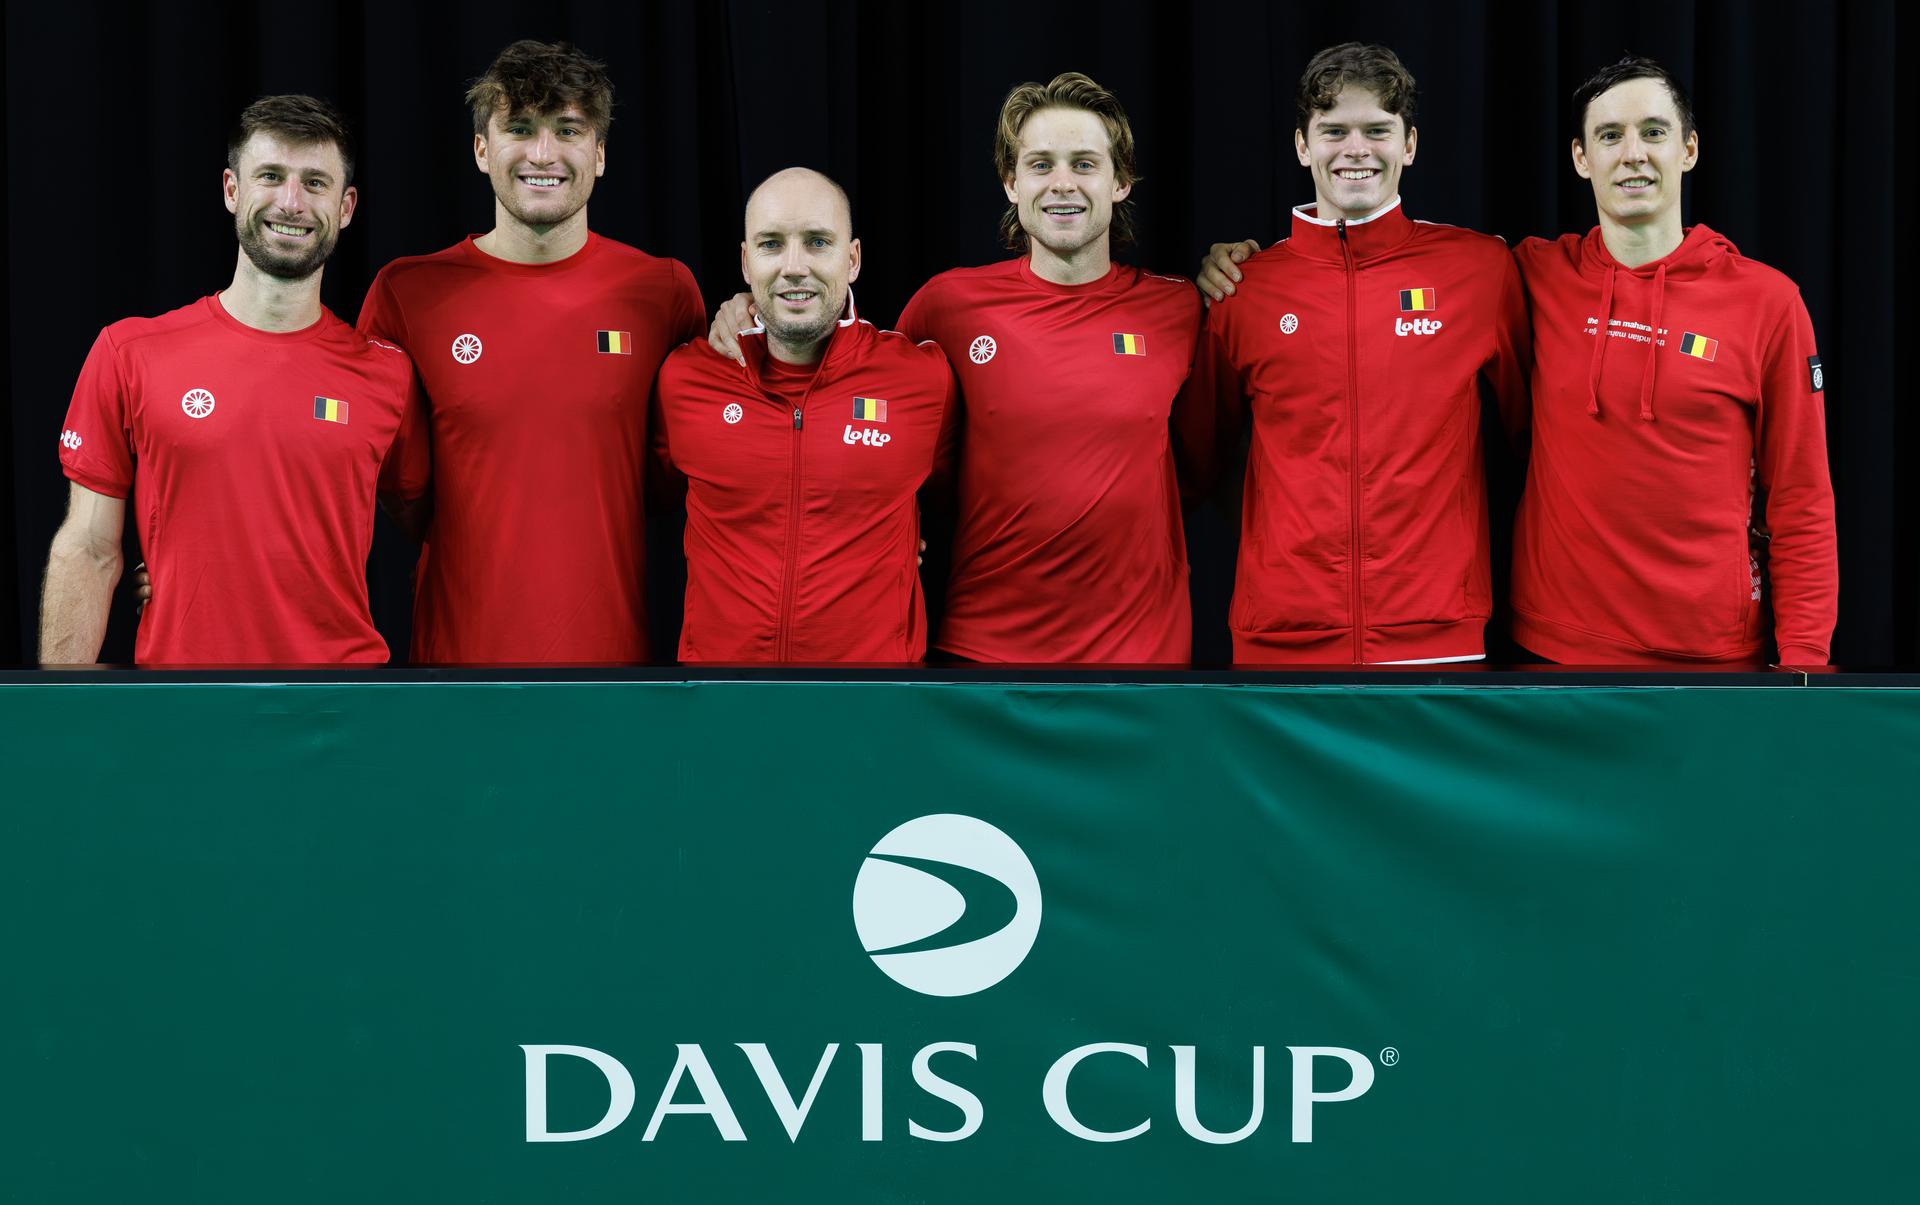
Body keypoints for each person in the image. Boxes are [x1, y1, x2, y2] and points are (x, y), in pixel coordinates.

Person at [714, 72, 1201, 664]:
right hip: (982, 654)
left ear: (1121, 181)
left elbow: (1209, 458)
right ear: (1010, 182)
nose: (1062, 184)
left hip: (1144, 660)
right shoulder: (948, 306)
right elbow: (855, 393)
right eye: (1041, 165)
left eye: (1085, 164)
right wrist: (746, 310)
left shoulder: (1179, 307)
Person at [40, 96, 426, 666]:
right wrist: (61, 715)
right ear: (231, 190)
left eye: (315, 183)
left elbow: (433, 530)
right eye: (270, 176)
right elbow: (90, 548)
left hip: (342, 708)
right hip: (186, 703)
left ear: (346, 207)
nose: (291, 202)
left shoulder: (388, 372)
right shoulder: (130, 352)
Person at [358, 40, 704, 664]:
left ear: (599, 154)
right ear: (482, 148)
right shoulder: (406, 293)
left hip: (613, 671)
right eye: (519, 128)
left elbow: (702, 475)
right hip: (455, 670)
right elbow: (361, 481)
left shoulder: (666, 293)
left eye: (567, 130)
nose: (542, 154)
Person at [1190, 43, 1529, 664]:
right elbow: (1201, 460)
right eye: (1333, 131)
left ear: (1410, 144)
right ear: (1301, 146)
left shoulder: (1480, 270)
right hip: (1281, 639)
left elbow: (1532, 437)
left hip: (1434, 634)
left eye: (1377, 130)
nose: (1356, 149)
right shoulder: (1244, 288)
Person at [1506, 56, 1835, 664]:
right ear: (1582, 158)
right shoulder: (1534, 275)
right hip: (1555, 654)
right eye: (1610, 136)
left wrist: (1805, 661)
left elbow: (1802, 497)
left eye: (1653, 132)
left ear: (1688, 149)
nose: (1633, 153)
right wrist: (1270, 263)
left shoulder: (1768, 302)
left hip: (1712, 660)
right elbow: (1419, 263)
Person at [652, 168, 954, 662]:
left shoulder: (922, 379)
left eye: (817, 242)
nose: (794, 266)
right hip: (722, 704)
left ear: (852, 259)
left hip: (875, 706)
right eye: (772, 245)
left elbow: (963, 504)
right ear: (746, 262)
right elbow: (648, 499)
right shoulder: (685, 379)